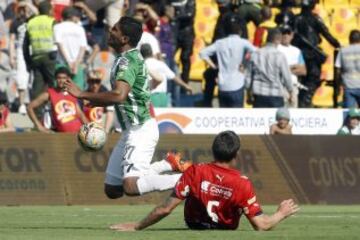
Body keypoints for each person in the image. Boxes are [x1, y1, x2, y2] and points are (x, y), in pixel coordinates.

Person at [63, 16, 192, 199]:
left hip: (141, 129)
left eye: (115, 29)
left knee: (131, 186)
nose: (110, 31)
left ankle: (189, 179)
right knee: (113, 189)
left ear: (124, 39)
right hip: (131, 129)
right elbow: (124, 95)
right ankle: (167, 164)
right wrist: (97, 100)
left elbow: (119, 95)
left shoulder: (127, 61)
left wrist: (82, 94)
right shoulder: (126, 58)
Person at [110, 130, 299, 231]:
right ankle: (166, 164)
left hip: (194, 225)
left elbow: (165, 208)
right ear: (235, 155)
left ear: (213, 150)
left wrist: (137, 226)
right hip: (226, 229)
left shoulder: (195, 171)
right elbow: (261, 225)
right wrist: (281, 213)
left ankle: (166, 164)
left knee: (190, 183)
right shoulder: (243, 183)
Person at [200, 13, 256, 108]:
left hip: (223, 85)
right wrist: (245, 64)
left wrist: (214, 66)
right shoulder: (243, 42)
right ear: (240, 31)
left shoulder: (220, 43)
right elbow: (256, 52)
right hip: (237, 84)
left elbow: (202, 53)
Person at [292, 0, 340, 108]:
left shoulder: (295, 19)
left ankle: (303, 101)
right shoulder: (315, 18)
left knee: (303, 81)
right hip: (311, 56)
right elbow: (327, 34)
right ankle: (304, 102)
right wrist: (338, 44)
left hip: (299, 55)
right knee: (312, 78)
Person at [27, 66, 88, 133]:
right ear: (55, 79)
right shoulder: (49, 93)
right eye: (59, 78)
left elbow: (80, 115)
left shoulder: (72, 93)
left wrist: (90, 128)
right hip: (60, 135)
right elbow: (29, 107)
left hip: (77, 133)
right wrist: (39, 126)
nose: (61, 80)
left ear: (68, 79)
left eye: (64, 78)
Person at [246, 28, 293, 108]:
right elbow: (287, 77)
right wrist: (291, 92)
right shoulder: (280, 56)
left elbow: (248, 77)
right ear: (278, 40)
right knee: (275, 120)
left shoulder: (255, 54)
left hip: (258, 95)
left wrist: (248, 94)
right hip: (276, 95)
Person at [23, 1, 57, 103]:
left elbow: (25, 46)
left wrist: (28, 62)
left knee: (37, 88)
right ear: (50, 10)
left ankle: (37, 114)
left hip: (36, 59)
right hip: (50, 58)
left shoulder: (31, 23)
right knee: (55, 85)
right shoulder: (52, 21)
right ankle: (57, 107)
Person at [9, 1, 38, 115]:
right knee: (21, 78)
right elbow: (11, 40)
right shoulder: (15, 22)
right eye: (20, 9)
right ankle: (22, 104)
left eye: (24, 9)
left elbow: (38, 13)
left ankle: (31, 104)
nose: (22, 11)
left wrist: (28, 4)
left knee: (33, 78)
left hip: (33, 50)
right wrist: (12, 56)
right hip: (21, 51)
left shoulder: (32, 19)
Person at [54, 6, 88, 90]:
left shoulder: (57, 27)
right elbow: (83, 47)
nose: (78, 19)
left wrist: (68, 62)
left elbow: (59, 45)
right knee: (78, 92)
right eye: (77, 16)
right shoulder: (80, 29)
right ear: (72, 16)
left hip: (62, 64)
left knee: (59, 92)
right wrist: (76, 64)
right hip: (77, 65)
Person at [278, 25, 307, 108]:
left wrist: (284, 69)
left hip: (293, 87)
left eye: (288, 33)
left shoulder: (297, 51)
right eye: (283, 33)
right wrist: (293, 67)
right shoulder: (276, 48)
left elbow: (303, 71)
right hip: (279, 87)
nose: (286, 35)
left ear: (292, 35)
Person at [83, 69, 114, 133]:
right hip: (88, 129)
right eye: (92, 81)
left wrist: (106, 131)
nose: (94, 85)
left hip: (102, 128)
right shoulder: (84, 95)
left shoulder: (106, 94)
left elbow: (110, 113)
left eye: (97, 81)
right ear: (88, 82)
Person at [335, 30, 360, 108]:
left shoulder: (343, 51)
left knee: (352, 114)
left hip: (349, 87)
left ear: (349, 39)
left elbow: (338, 70)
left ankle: (353, 119)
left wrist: (337, 86)